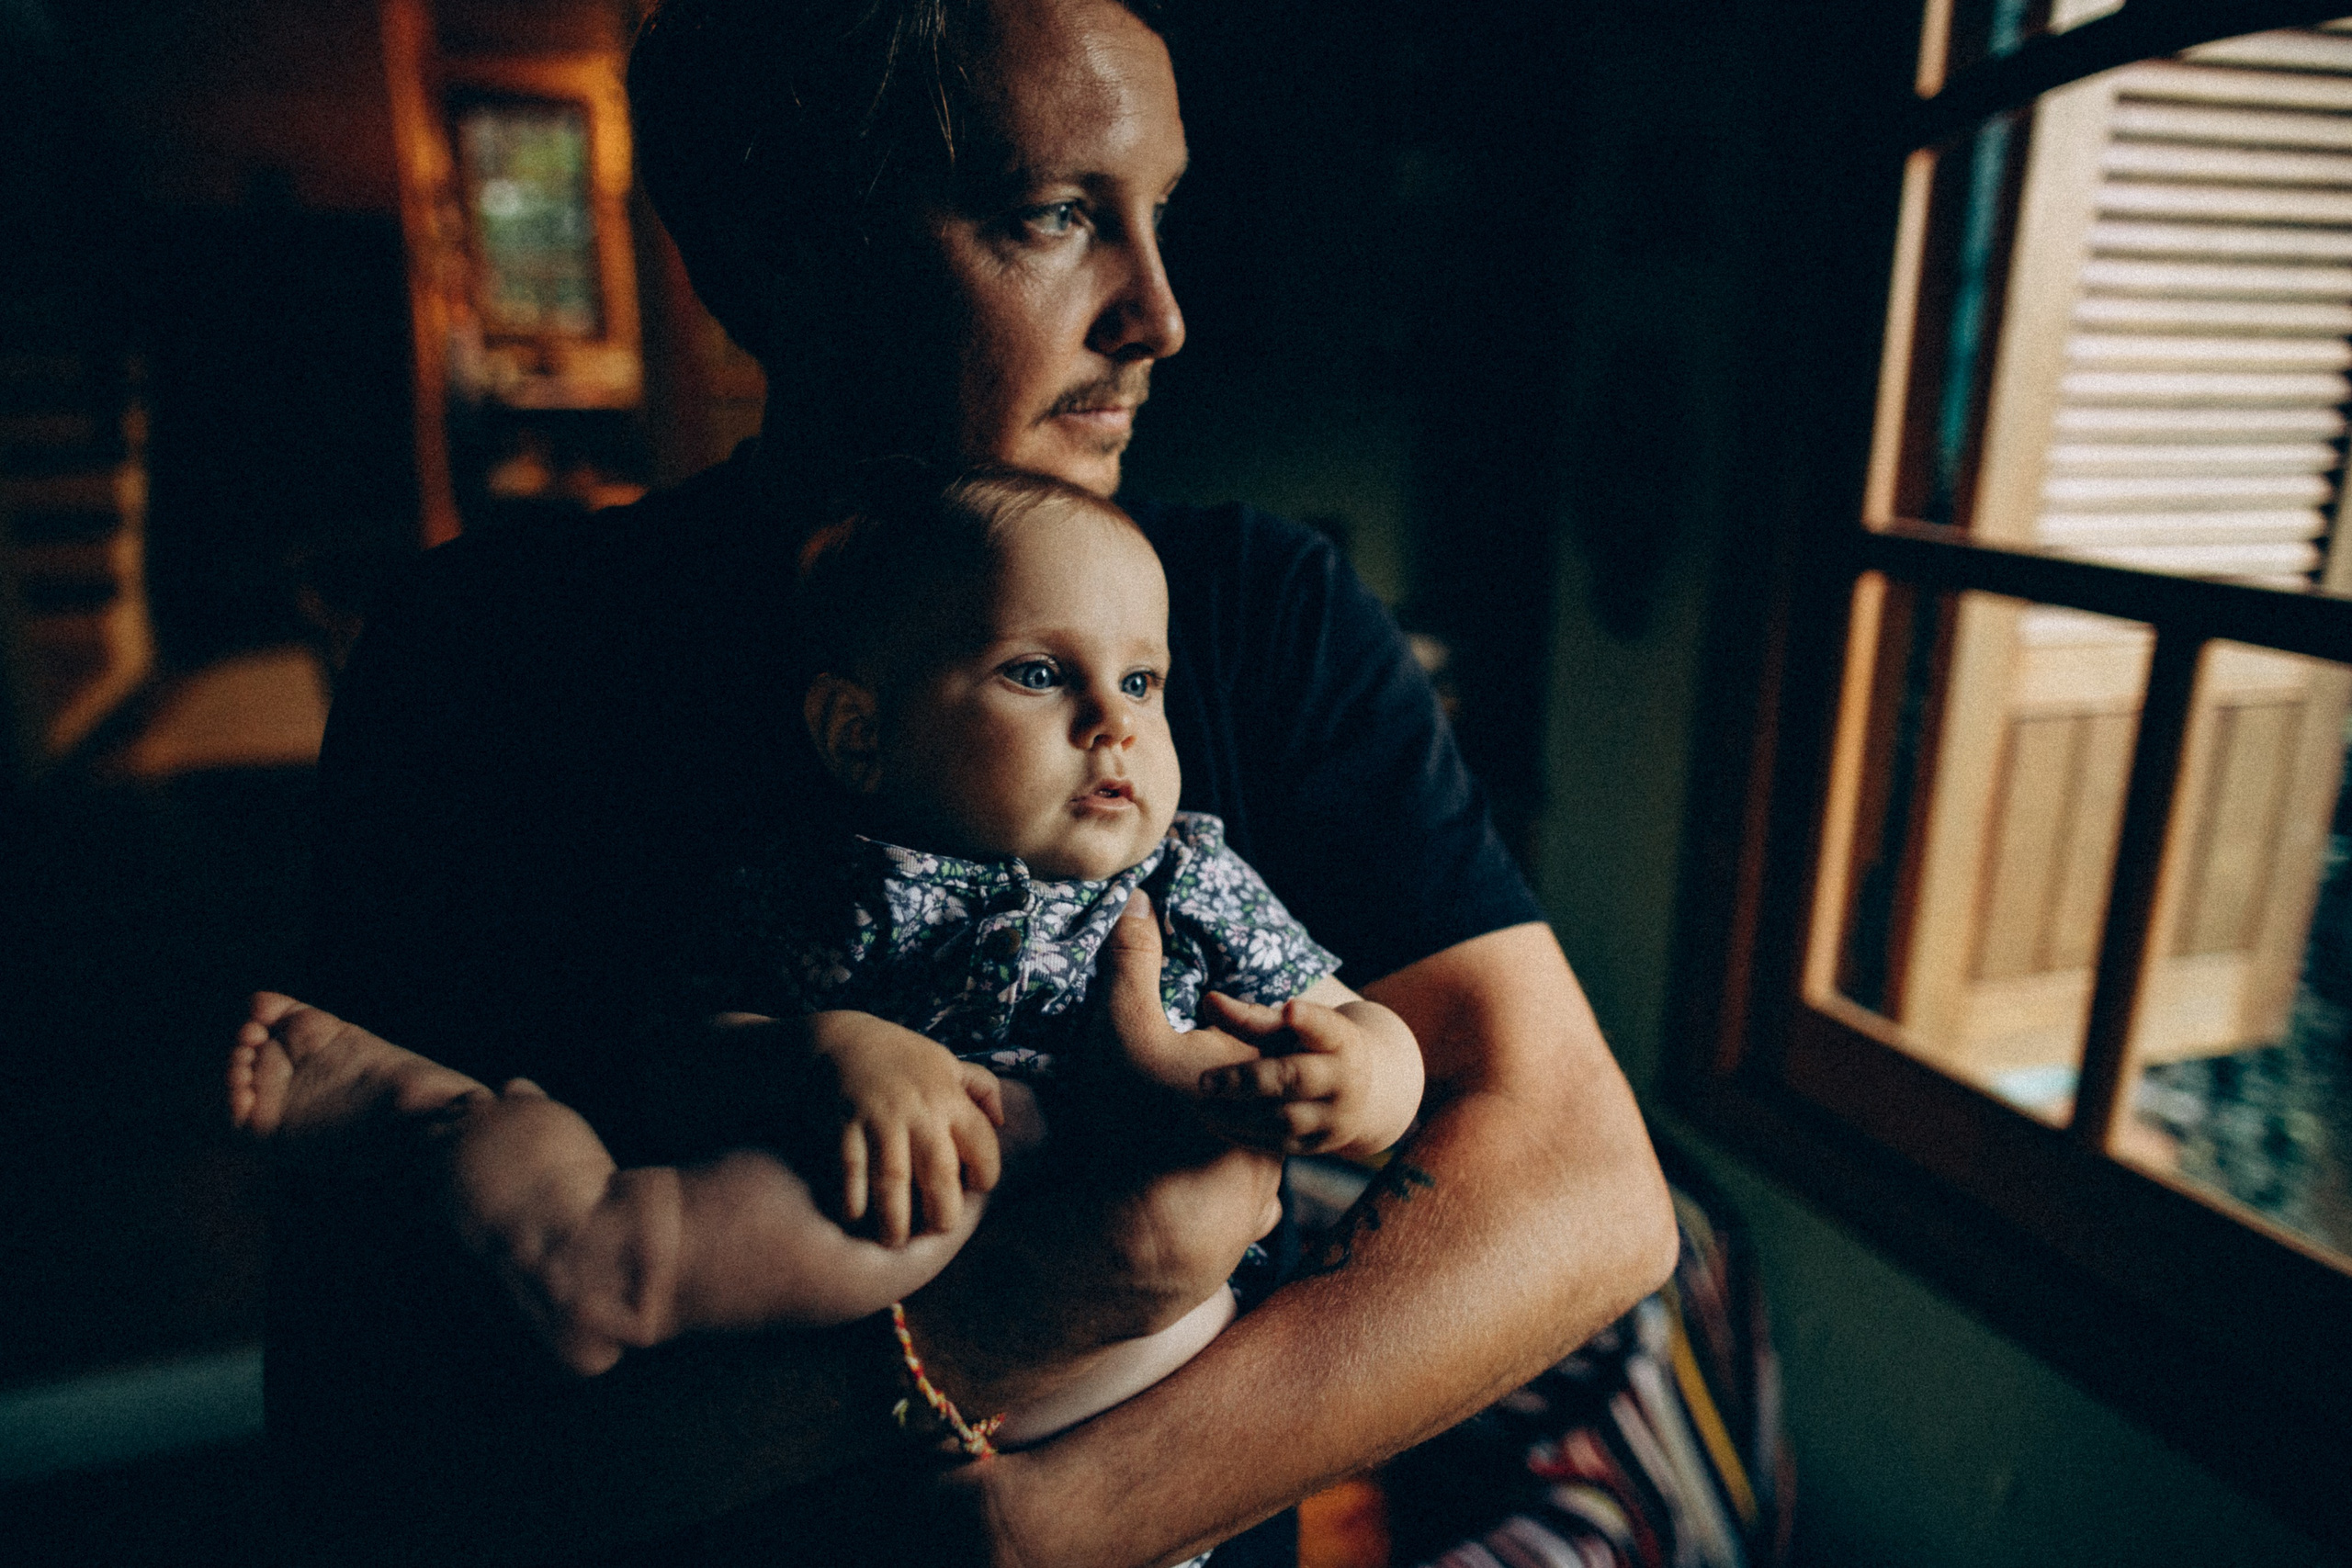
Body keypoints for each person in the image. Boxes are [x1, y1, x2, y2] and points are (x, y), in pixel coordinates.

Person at [286, 1, 1679, 1563]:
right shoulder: (491, 657)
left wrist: (1064, 1519)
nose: (1159, 313)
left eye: (1163, 213)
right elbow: (386, 1470)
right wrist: (1069, 1282)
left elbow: (1589, 1194)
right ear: (771, 250)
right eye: (1056, 214)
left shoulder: (1255, 613)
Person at [236, 468, 1422, 1449]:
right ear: (862, 733)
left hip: (1156, 1382)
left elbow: (1366, 1035)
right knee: (687, 1255)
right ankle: (465, 1145)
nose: (1112, 721)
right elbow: (681, 1063)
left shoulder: (1191, 880)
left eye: (1143, 681)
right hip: (911, 1223)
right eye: (1037, 672)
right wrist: (834, 1051)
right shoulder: (836, 887)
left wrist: (1359, 1078)